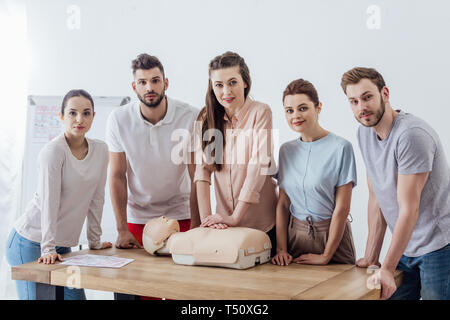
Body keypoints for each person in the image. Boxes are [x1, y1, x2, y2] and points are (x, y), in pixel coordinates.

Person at [341, 67, 450, 300]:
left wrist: (388, 267)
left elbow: (409, 209)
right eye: (354, 101)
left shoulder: (411, 135)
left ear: (385, 94)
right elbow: (376, 198)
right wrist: (372, 255)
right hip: (406, 246)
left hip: (440, 247)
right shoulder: (365, 133)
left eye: (367, 97)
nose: (362, 107)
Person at [105, 53, 199, 300]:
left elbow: (196, 173)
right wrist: (121, 228)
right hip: (139, 219)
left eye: (155, 80)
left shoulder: (190, 115)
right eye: (143, 82)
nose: (150, 87)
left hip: (181, 216)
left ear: (166, 83)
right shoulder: (119, 119)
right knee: (141, 292)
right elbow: (116, 175)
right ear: (134, 86)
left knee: (184, 290)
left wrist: (199, 224)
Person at [6, 89, 112, 300]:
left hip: (63, 245)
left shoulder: (101, 150)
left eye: (86, 113)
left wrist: (94, 241)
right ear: (62, 116)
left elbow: (97, 198)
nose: (79, 119)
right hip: (31, 242)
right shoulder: (53, 152)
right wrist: (47, 249)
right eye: (72, 113)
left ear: (93, 116)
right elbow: (49, 202)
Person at [193, 51, 278, 257]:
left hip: (263, 225)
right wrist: (207, 220)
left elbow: (257, 167)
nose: (226, 92)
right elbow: (202, 172)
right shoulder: (206, 117)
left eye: (232, 82)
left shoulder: (261, 112)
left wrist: (235, 217)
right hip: (224, 229)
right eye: (219, 85)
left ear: (245, 82)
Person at [271, 79, 357, 267]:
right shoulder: (286, 150)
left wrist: (326, 255)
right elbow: (284, 204)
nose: (295, 116)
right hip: (295, 237)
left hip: (332, 239)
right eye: (289, 110)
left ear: (318, 107)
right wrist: (281, 249)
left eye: (303, 108)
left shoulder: (341, 148)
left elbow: (342, 209)